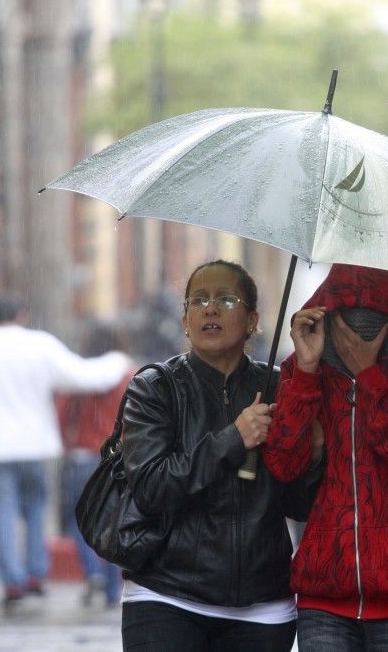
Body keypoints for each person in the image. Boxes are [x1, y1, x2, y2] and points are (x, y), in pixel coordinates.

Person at [118, 259, 323, 652]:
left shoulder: (283, 389)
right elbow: (151, 488)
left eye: (227, 299)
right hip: (165, 596)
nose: (210, 309)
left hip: (263, 608)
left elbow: (301, 505)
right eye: (198, 300)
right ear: (185, 321)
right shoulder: (155, 389)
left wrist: (313, 453)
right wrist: (233, 438)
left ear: (252, 321)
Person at [264, 263, 388, 652]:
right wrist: (307, 372)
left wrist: (369, 376)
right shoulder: (302, 367)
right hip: (324, 594)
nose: (357, 328)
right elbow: (283, 463)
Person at [0, 294, 130, 612]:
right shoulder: (40, 345)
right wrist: (117, 361)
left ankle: (12, 581)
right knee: (36, 510)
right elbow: (83, 377)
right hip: (35, 446)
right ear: (22, 315)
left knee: (3, 513)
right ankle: (35, 575)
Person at [55, 322, 137, 608]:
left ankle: (93, 572)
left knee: (78, 520)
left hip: (80, 457)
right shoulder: (132, 375)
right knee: (115, 522)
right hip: (118, 456)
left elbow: (62, 415)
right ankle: (113, 588)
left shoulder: (79, 377)